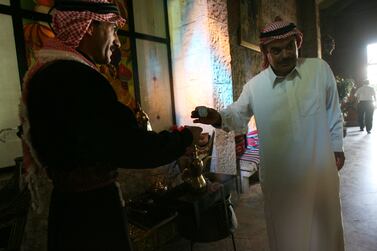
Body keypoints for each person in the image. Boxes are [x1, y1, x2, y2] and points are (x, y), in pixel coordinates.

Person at [19, 1, 198, 250]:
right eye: (112, 30)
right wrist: (184, 139)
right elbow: (130, 146)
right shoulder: (78, 78)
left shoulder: (45, 74)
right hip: (92, 214)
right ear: (90, 27)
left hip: (67, 207)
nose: (116, 41)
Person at [192, 18, 345, 251]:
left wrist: (336, 148)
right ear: (265, 52)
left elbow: (333, 113)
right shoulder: (255, 87)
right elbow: (237, 114)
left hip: (319, 174)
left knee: (325, 232)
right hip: (281, 181)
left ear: (297, 44)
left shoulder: (319, 70)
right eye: (276, 50)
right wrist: (217, 117)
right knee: (287, 235)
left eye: (289, 47)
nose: (285, 54)